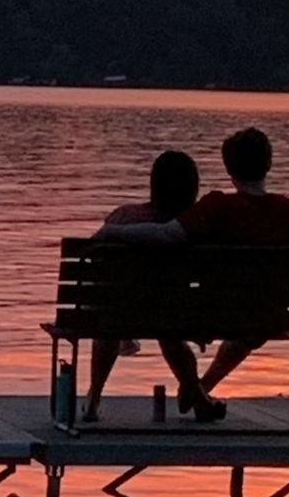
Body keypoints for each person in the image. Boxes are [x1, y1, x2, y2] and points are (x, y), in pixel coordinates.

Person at [183, 126, 289, 403]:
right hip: (269, 314)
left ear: (228, 167)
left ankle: (197, 389)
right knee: (254, 320)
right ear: (268, 165)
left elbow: (177, 240)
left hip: (211, 313)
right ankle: (200, 389)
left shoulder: (215, 207)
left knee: (235, 318)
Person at [85, 149, 218, 422]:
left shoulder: (123, 217)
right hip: (176, 316)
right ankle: (198, 397)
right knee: (170, 334)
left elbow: (95, 270)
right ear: (192, 189)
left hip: (118, 313)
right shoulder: (194, 228)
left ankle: (93, 397)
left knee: (110, 322)